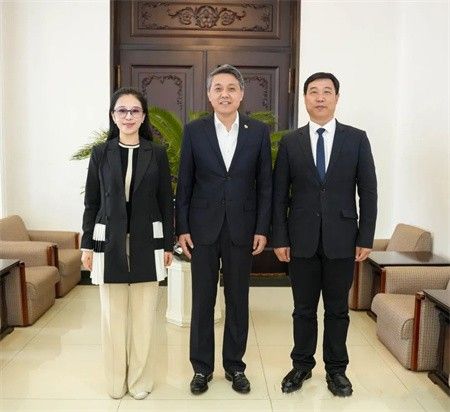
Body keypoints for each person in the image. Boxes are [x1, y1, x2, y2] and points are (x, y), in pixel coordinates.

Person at [272, 72, 377, 397]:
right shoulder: (291, 142)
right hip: (300, 239)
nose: (320, 97)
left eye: (327, 91)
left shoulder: (356, 139)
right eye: (314, 92)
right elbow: (279, 195)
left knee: (337, 310)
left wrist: (366, 237)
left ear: (336, 98)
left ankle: (337, 370)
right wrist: (280, 238)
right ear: (305, 98)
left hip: (342, 239)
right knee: (303, 309)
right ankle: (301, 365)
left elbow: (368, 191)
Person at [176, 64, 272, 395]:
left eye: (231, 88)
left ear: (241, 94)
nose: (225, 94)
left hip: (242, 229)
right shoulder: (195, 130)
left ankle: (235, 366)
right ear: (209, 95)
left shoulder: (257, 132)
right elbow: (184, 183)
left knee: (238, 299)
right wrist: (182, 227)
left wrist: (262, 227)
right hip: (202, 229)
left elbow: (266, 185)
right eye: (218, 88)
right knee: (202, 300)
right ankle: (201, 369)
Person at [80, 87, 174, 400]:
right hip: (108, 241)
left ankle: (140, 380)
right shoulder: (100, 153)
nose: (128, 116)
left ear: (144, 116)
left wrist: (168, 245)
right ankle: (115, 380)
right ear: (113, 115)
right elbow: (92, 202)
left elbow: (166, 201)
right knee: (112, 317)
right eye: (122, 110)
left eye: (135, 111)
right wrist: (86, 246)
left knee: (145, 317)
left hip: (149, 240)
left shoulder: (156, 153)